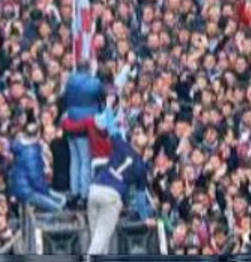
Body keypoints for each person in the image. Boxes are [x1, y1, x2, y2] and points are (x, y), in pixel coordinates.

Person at [86, 130, 150, 254]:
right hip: (112, 197)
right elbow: (140, 199)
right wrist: (145, 218)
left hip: (94, 190)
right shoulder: (141, 167)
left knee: (98, 238)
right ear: (145, 149)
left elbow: (111, 130)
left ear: (133, 141)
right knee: (101, 239)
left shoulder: (122, 145)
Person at [62, 70, 105, 204]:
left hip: (70, 122)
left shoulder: (69, 81)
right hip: (84, 127)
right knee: (85, 161)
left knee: (74, 161)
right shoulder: (94, 83)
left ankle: (74, 192)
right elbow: (101, 96)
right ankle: (84, 194)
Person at [9, 120, 66, 213]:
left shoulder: (23, 146)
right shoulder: (30, 151)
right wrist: (45, 192)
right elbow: (35, 178)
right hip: (28, 191)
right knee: (58, 208)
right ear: (38, 134)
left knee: (62, 199)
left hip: (29, 187)